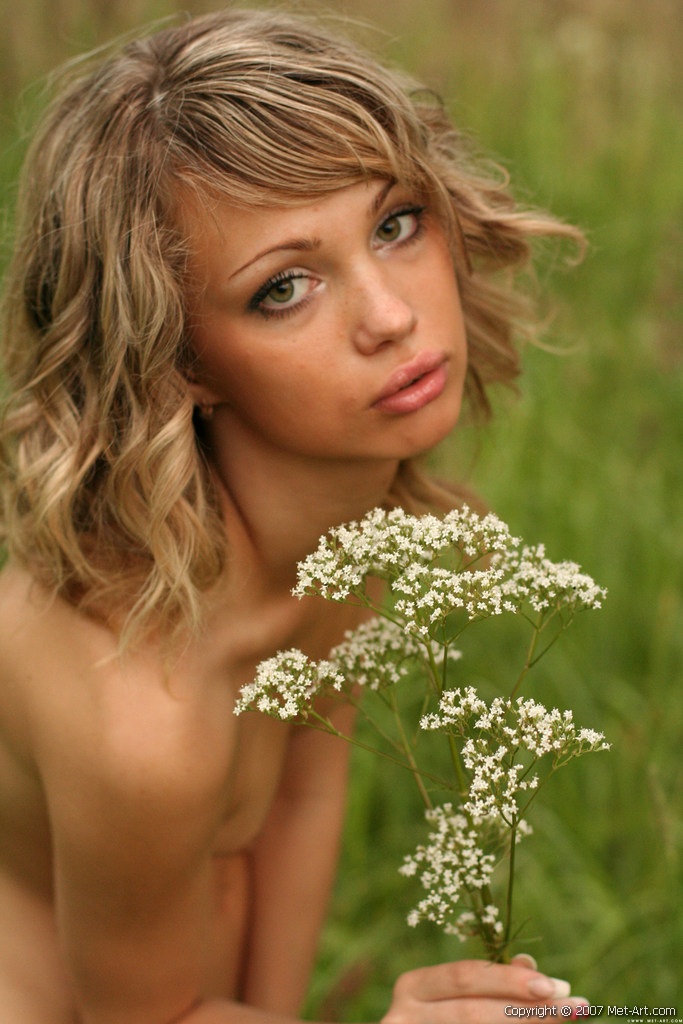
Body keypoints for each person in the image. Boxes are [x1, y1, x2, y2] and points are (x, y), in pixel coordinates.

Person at [0, 8, 588, 1022]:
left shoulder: (332, 533)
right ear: (176, 360)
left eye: (394, 224)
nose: (391, 316)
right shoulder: (141, 711)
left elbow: (300, 800)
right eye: (284, 288)